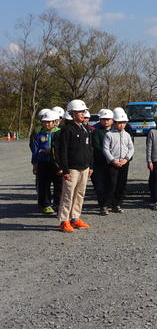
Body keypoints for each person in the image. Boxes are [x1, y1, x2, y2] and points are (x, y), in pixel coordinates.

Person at [56, 99, 94, 233]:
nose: (83, 114)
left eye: (84, 111)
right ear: (72, 113)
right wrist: (65, 169)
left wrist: (91, 165)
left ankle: (75, 217)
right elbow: (63, 151)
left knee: (80, 194)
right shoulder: (67, 130)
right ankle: (64, 220)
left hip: (84, 167)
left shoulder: (86, 129)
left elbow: (90, 149)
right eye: (80, 112)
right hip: (72, 168)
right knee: (68, 195)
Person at [102, 108, 134, 214]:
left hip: (124, 163)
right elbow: (105, 149)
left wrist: (126, 159)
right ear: (114, 122)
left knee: (121, 184)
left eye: (124, 123)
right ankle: (105, 205)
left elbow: (131, 148)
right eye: (119, 123)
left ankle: (117, 204)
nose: (122, 125)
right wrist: (112, 160)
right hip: (112, 164)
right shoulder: (109, 134)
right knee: (111, 184)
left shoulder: (127, 135)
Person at [31, 109, 61, 215]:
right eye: (45, 122)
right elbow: (35, 151)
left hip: (57, 163)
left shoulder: (60, 133)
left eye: (49, 122)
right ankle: (46, 204)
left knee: (59, 184)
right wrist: (35, 164)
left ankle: (58, 204)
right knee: (44, 184)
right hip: (43, 162)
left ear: (55, 122)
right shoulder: (39, 135)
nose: (46, 124)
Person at [91, 109, 114, 215]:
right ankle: (103, 205)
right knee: (100, 185)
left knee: (111, 184)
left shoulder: (115, 131)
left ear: (112, 120)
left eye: (108, 119)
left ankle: (110, 203)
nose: (105, 122)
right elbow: (96, 146)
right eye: (103, 119)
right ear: (100, 120)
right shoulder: (96, 132)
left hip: (113, 163)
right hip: (99, 163)